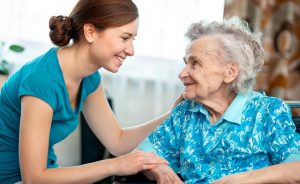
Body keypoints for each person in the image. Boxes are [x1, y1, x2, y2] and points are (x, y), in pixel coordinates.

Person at [0, 0, 182, 183]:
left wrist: (173, 115)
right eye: (124, 38)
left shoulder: (89, 78)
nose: (131, 50)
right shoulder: (42, 80)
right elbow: (34, 178)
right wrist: (115, 165)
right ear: (90, 32)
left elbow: (117, 141)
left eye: (132, 39)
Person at [138, 17, 300, 184]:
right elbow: (144, 153)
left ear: (230, 72)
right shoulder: (185, 112)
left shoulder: (266, 111)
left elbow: (296, 169)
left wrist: (242, 180)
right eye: (186, 63)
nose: (182, 74)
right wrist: (160, 169)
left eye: (195, 64)